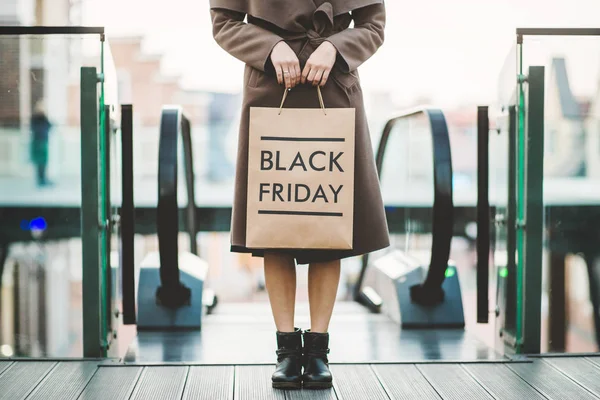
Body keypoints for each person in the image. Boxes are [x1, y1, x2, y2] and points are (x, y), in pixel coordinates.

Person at [209, 0, 389, 390]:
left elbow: (373, 25)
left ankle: (318, 351)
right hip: (271, 88)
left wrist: (336, 47)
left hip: (335, 88)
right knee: (274, 223)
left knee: (331, 220)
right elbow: (223, 22)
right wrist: (269, 48)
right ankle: (288, 351)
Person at [30, 100, 52, 187]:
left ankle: (43, 178)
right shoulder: (36, 118)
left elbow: (49, 125)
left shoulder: (42, 118)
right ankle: (41, 179)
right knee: (40, 162)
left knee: (43, 162)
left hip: (42, 141)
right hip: (39, 141)